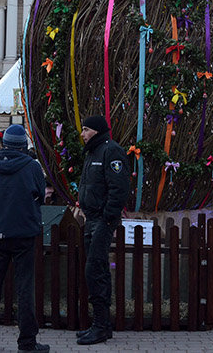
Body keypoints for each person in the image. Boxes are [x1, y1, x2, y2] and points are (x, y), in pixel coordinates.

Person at [0, 124, 49, 353]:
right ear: (23, 145)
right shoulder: (32, 166)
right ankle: (27, 342)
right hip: (23, 232)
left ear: (4, 143)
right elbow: (40, 194)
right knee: (25, 288)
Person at [75, 115, 130, 346]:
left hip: (102, 220)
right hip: (91, 218)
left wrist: (108, 217)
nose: (82, 133)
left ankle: (99, 325)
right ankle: (103, 324)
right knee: (97, 269)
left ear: (96, 131)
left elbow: (119, 187)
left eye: (86, 129)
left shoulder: (111, 151)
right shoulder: (92, 153)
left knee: (94, 270)